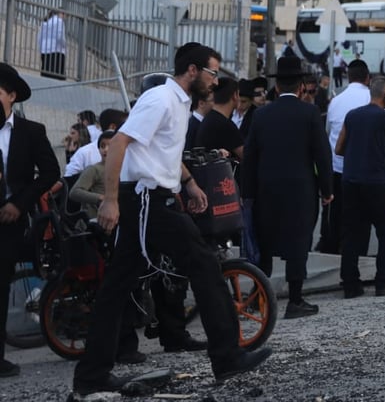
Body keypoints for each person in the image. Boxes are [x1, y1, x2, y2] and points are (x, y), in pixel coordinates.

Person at [72, 44, 271, 396]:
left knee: (118, 286)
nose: (215, 81)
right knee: (206, 265)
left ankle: (92, 374)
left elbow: (163, 151)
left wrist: (190, 183)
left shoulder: (179, 104)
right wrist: (112, 200)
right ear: (193, 71)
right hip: (148, 200)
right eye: (212, 73)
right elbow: (119, 144)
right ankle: (226, 357)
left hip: (153, 198)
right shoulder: (161, 99)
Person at [241, 55, 333, 320]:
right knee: (298, 244)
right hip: (300, 190)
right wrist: (327, 190)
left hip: (265, 190)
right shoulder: (310, 113)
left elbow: (250, 158)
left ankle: (259, 297)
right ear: (301, 86)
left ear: (277, 87)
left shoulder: (260, 115)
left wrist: (247, 195)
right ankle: (295, 300)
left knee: (265, 244)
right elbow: (321, 155)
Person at [0, 62, 60, 379]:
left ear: (11, 95)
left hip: (11, 222)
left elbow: (50, 173)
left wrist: (19, 204)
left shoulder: (31, 132)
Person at [335, 76, 385, 298]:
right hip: (376, 182)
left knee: (352, 233)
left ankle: (351, 285)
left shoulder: (352, 116)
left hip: (351, 181)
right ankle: (383, 283)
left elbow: (339, 149)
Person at [319, 59, 371, 254]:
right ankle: (357, 255)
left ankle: (332, 253)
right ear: (368, 78)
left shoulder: (335, 102)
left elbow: (328, 132)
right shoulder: (370, 99)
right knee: (360, 219)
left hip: (337, 169)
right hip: (364, 170)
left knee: (336, 216)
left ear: (348, 77)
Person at [69, 129, 116, 218]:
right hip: (96, 221)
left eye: (110, 146)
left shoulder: (124, 170)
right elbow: (75, 192)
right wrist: (101, 198)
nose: (106, 150)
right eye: (102, 146)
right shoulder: (94, 169)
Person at [38, 9, 67, 79]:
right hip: (56, 51)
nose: (65, 18)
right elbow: (60, 37)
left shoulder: (45, 22)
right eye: (65, 15)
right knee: (58, 76)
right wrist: (64, 45)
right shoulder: (59, 21)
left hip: (45, 51)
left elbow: (39, 37)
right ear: (61, 13)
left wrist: (41, 48)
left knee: (46, 74)